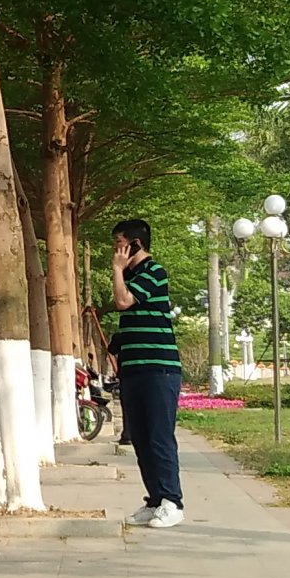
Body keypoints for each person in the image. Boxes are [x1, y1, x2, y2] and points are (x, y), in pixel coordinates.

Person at [109, 217, 184, 527]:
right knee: (140, 438)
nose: (115, 251)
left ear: (135, 244)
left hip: (159, 370)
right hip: (134, 370)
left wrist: (116, 270)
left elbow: (123, 301)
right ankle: (154, 501)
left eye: (119, 244)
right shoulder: (132, 275)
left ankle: (172, 502)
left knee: (158, 437)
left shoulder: (154, 272)